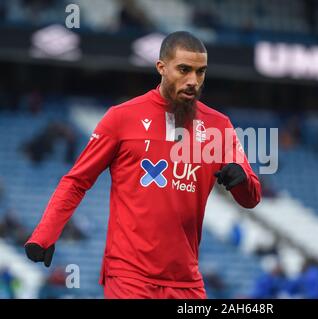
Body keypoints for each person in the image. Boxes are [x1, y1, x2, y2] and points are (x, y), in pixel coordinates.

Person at [24, 31, 261, 299]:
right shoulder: (121, 118)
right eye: (184, 69)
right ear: (161, 67)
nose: (193, 80)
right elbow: (77, 181)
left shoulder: (219, 126)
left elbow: (251, 198)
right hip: (129, 277)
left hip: (186, 282)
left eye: (200, 72)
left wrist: (241, 179)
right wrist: (45, 233)